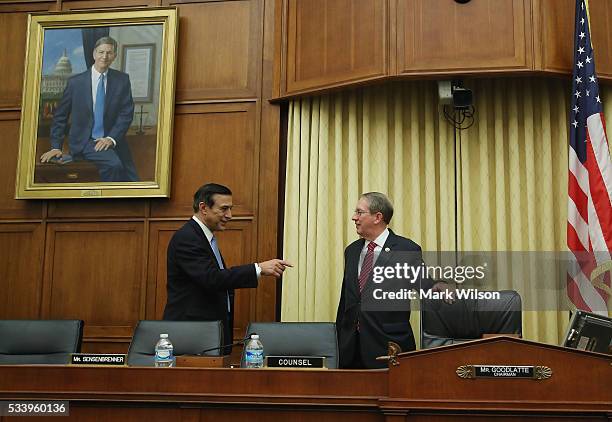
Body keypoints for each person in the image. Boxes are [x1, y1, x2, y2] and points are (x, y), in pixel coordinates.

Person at [163, 183, 292, 353]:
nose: (230, 215)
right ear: (204, 208)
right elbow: (212, 278)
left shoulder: (202, 237)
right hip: (191, 337)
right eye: (224, 209)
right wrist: (258, 268)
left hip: (207, 334)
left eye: (230, 209)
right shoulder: (187, 238)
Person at [335, 192, 452, 369]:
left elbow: (424, 284)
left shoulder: (406, 249)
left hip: (387, 346)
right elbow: (347, 298)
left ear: (377, 217)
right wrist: (338, 340)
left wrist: (440, 285)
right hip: (351, 348)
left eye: (359, 212)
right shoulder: (351, 251)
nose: (354, 217)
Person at [40, 36, 139, 182]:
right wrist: (56, 146)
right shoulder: (75, 83)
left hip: (112, 140)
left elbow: (126, 113)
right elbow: (60, 117)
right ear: (94, 54)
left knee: (133, 180)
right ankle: (107, 203)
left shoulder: (122, 80)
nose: (104, 56)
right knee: (114, 165)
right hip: (84, 141)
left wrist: (111, 138)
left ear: (114, 56)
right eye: (101, 52)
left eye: (109, 53)